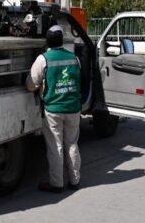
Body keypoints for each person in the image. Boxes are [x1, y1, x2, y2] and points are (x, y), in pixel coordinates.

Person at [26, 25, 82, 192]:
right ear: (62, 41)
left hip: (53, 110)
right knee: (72, 144)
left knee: (55, 146)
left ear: (47, 41)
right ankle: (75, 180)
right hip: (73, 108)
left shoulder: (43, 59)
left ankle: (57, 183)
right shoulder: (74, 58)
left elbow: (31, 85)